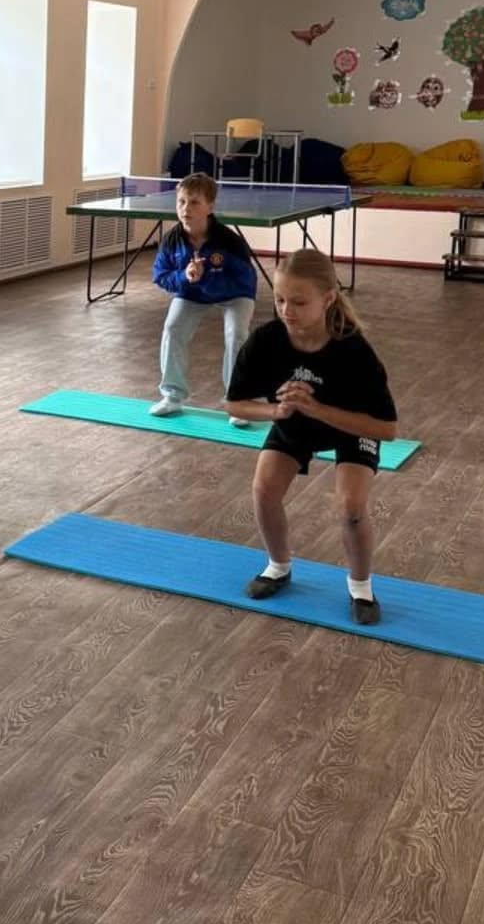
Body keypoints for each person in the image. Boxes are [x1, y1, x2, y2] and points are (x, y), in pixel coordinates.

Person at [223, 248, 397, 626]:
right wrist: (275, 412)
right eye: (280, 300)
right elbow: (234, 405)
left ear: (328, 298)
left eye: (299, 302)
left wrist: (318, 409)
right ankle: (278, 566)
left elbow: (387, 429)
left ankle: (361, 587)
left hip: (350, 427)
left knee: (351, 507)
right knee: (263, 489)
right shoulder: (267, 341)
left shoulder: (353, 350)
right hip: (296, 423)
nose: (287, 310)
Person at [150, 172, 258, 421]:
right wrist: (185, 277)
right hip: (191, 292)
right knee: (173, 328)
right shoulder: (171, 240)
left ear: (210, 207)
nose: (186, 208)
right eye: (181, 201)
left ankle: (237, 402)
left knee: (236, 334)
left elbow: (245, 280)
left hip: (235, 294)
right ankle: (172, 396)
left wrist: (205, 278)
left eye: (194, 202)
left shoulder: (230, 241)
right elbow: (160, 275)